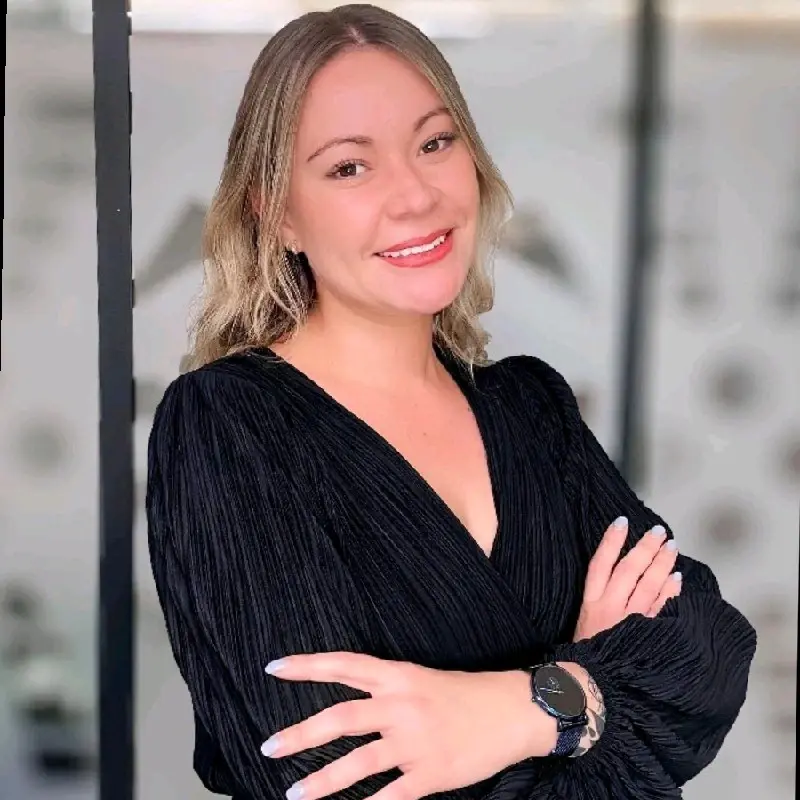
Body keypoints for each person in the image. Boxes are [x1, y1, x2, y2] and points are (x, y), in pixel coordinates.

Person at [146, 5, 757, 800]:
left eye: (435, 143)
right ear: (279, 214)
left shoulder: (531, 409)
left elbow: (710, 652)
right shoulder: (227, 425)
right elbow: (333, 780)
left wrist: (529, 708)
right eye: (349, 168)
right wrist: (596, 698)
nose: (415, 196)